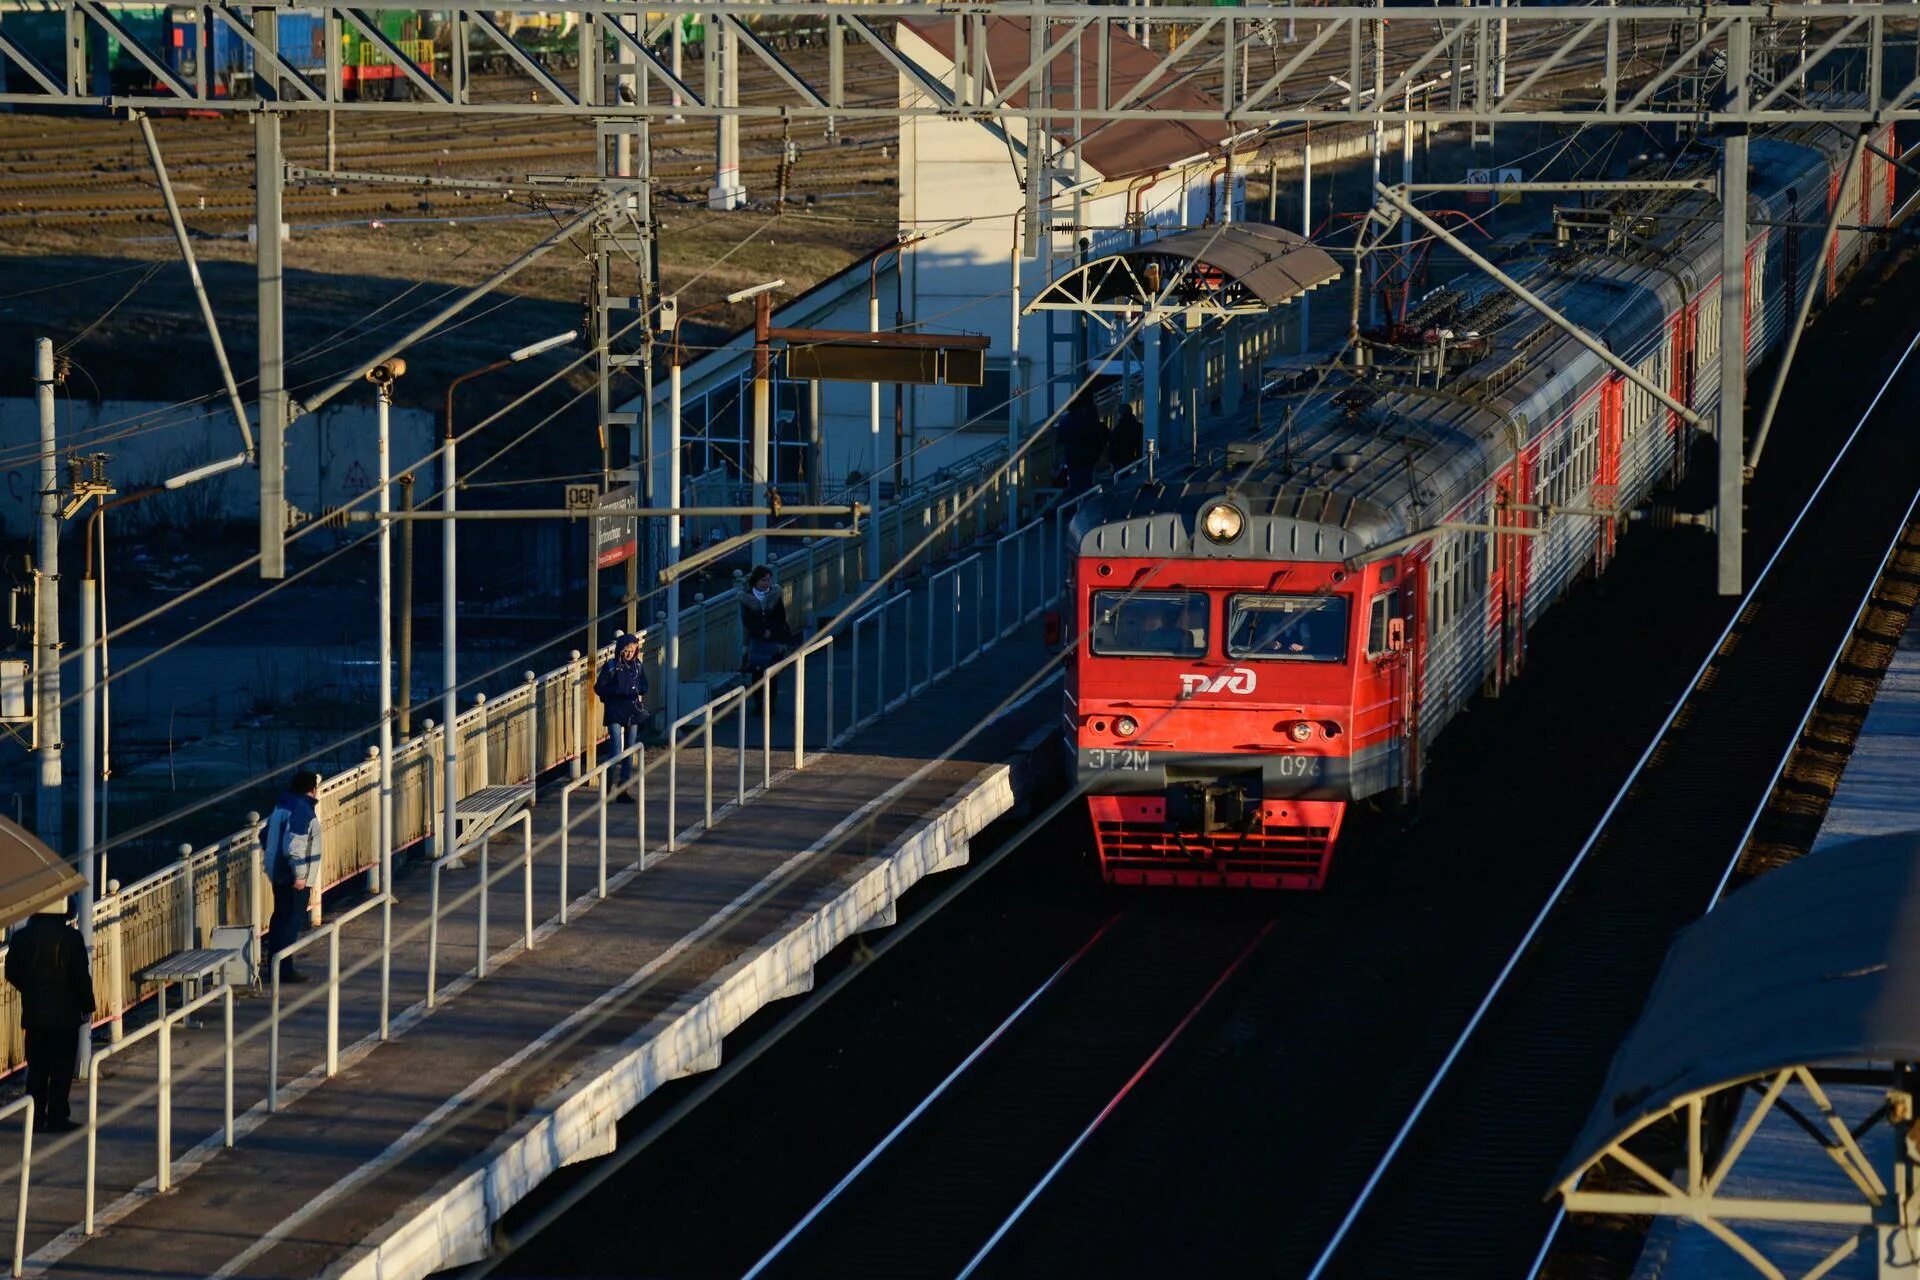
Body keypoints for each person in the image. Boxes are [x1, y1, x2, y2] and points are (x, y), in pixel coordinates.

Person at [6, 899, 94, 1132]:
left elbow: (11, 972)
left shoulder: (22, 937)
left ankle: (34, 1118)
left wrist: (30, 988)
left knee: (37, 1067)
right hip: (66, 1014)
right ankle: (57, 1117)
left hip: (34, 1013)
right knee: (62, 1068)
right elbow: (80, 977)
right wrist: (88, 1004)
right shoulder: (72, 938)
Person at [264, 770, 323, 983]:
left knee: (279, 919)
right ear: (312, 788)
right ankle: (283, 969)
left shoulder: (283, 804)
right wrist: (300, 876)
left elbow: (265, 835)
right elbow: (296, 846)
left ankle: (274, 966)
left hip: (277, 871)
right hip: (292, 877)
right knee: (290, 921)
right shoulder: (302, 809)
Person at [594, 633, 649, 801]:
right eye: (626, 651)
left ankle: (623, 788)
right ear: (620, 650)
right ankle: (607, 780)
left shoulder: (637, 666)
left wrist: (638, 689)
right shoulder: (611, 666)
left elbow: (644, 685)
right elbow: (599, 688)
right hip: (615, 710)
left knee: (630, 750)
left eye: (632, 651)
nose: (629, 654)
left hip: (632, 710)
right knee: (616, 750)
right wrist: (616, 690)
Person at [741, 566, 796, 711]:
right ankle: (759, 704)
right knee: (757, 673)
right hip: (756, 640)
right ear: (756, 581)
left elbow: (780, 617)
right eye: (763, 580)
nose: (767, 583)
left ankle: (771, 705)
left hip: (774, 638)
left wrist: (771, 630)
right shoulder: (747, 598)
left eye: (768, 580)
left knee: (772, 673)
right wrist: (761, 631)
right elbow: (747, 621)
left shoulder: (775, 595)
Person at [1110, 405, 1144, 469]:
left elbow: (1114, 447)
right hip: (1136, 460)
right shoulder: (1139, 426)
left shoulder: (1118, 429)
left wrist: (1111, 460)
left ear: (1121, 415)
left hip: (1121, 461)